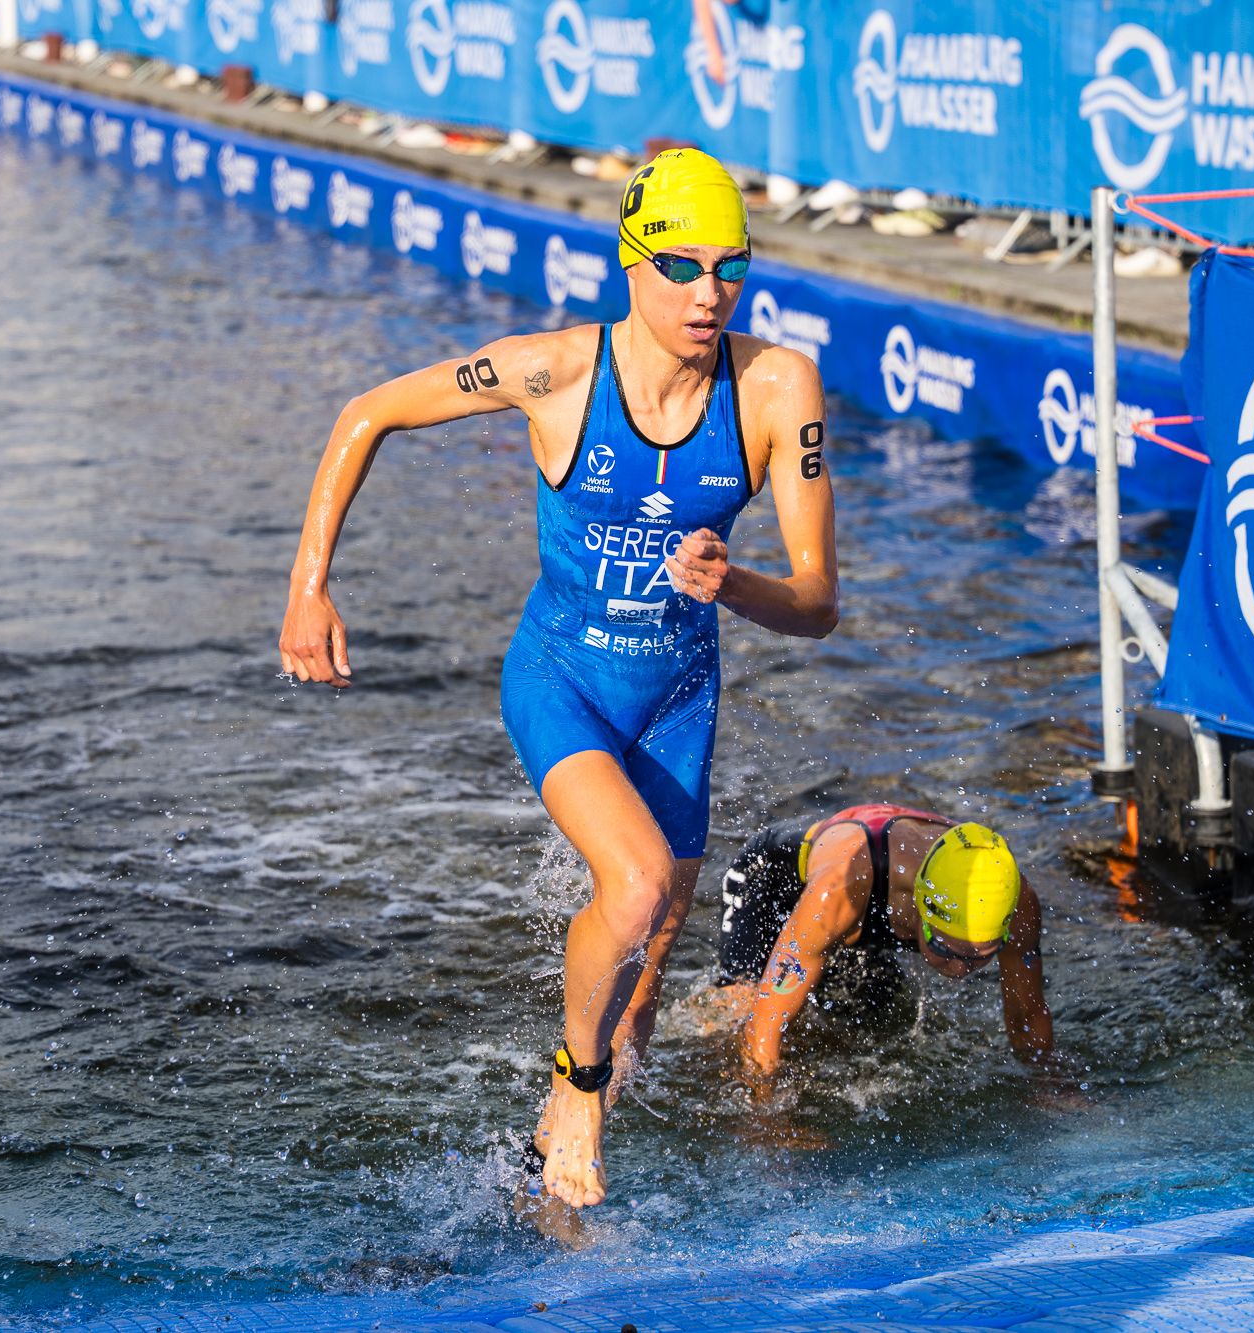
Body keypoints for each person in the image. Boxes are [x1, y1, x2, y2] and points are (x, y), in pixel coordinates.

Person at [275, 149, 839, 1212]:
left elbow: (816, 604)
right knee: (635, 886)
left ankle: (558, 1183)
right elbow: (366, 412)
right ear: (630, 264)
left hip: (677, 701)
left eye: (730, 268)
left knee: (644, 990)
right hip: (561, 679)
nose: (707, 293)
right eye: (680, 267)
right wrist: (310, 589)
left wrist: (734, 583)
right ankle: (571, 1090)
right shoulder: (553, 374)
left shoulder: (777, 387)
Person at [714, 804, 1052, 1075]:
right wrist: (769, 1124)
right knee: (740, 1015)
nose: (959, 970)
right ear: (918, 910)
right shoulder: (838, 892)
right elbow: (763, 1028)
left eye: (978, 957)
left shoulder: (1017, 905)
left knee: (870, 1024)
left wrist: (1049, 1082)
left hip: (863, 907)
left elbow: (1026, 1018)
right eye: (944, 948)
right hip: (774, 883)